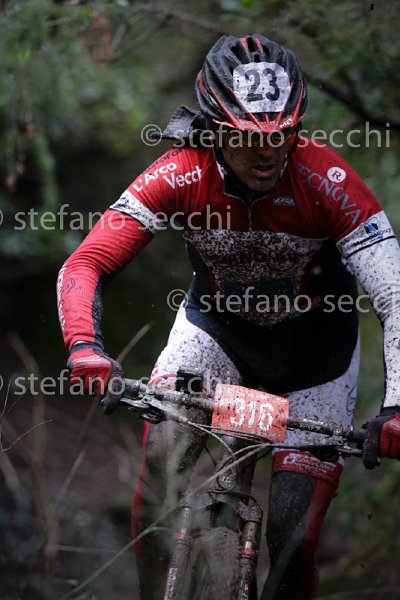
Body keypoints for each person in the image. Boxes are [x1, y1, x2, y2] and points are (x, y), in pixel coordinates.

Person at [57, 34, 400, 599]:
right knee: (160, 477)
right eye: (246, 137)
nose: (267, 153)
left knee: (294, 538)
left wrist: (395, 407)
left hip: (316, 362)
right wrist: (84, 347)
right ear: (214, 128)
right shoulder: (181, 172)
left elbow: (393, 292)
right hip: (215, 339)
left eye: (282, 135)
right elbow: (86, 262)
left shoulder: (326, 178)